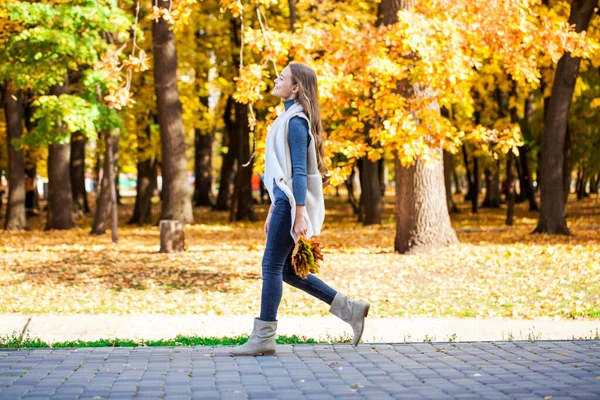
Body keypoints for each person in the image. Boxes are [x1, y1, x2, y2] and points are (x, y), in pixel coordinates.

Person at [230, 63, 370, 357]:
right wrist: (273, 206)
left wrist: (299, 211)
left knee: (271, 267)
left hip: (292, 204)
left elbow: (299, 171)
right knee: (288, 272)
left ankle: (263, 337)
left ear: (295, 87)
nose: (276, 79)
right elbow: (280, 172)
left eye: (282, 77)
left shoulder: (296, 122)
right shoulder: (286, 118)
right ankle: (351, 309)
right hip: (284, 202)